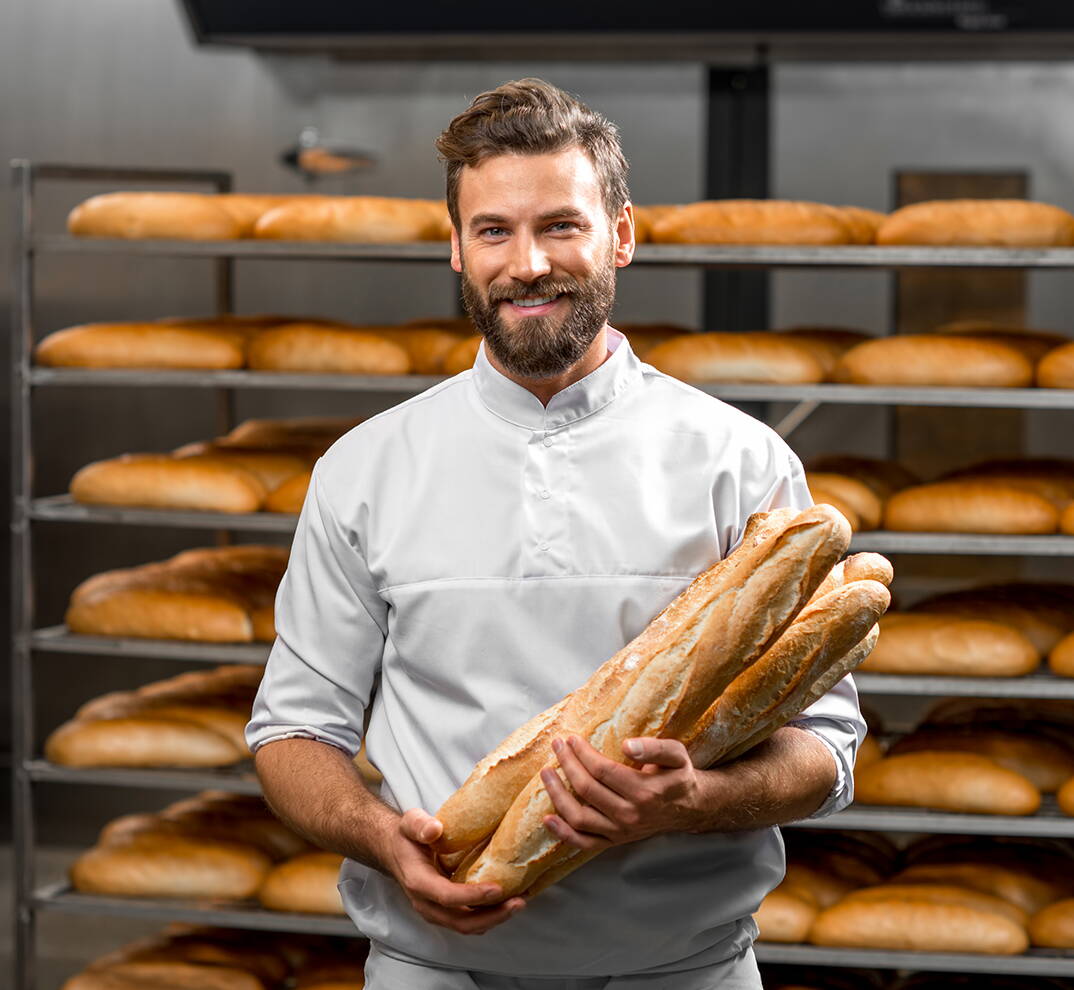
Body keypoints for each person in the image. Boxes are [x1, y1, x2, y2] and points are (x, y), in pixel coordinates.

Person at [248, 78, 864, 990]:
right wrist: (385, 839)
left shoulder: (739, 461)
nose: (527, 263)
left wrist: (695, 801)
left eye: (561, 226)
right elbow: (295, 731)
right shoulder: (365, 469)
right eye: (494, 231)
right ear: (456, 248)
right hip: (434, 968)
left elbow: (827, 745)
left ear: (621, 233)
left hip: (683, 968)